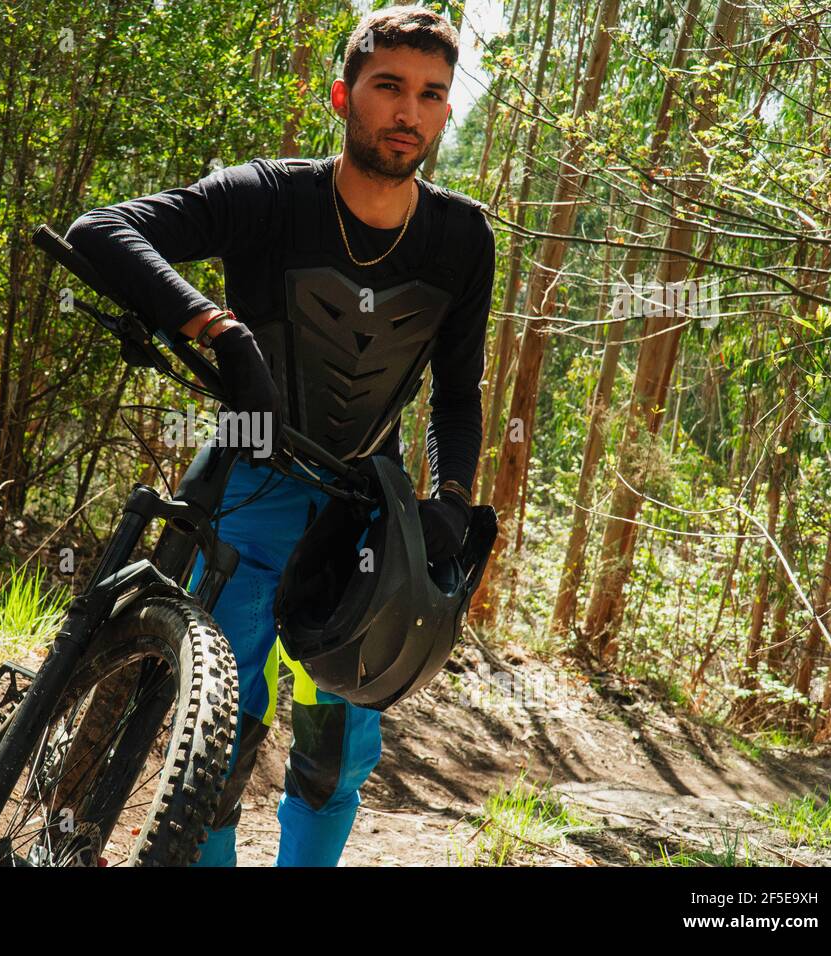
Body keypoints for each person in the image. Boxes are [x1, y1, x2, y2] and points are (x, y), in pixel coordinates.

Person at [64, 5, 495, 867]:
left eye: (430, 95)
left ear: (448, 114)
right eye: (388, 88)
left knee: (338, 748)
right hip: (246, 487)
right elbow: (101, 231)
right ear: (345, 95)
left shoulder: (460, 238)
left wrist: (448, 499)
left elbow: (456, 389)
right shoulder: (268, 197)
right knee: (217, 736)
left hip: (365, 515)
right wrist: (219, 330)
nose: (408, 111)